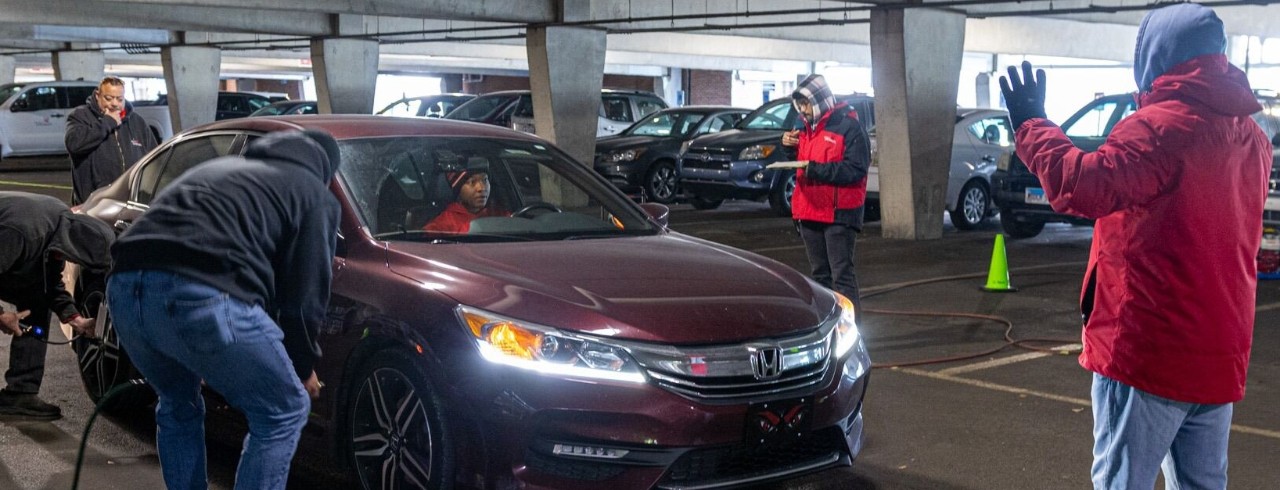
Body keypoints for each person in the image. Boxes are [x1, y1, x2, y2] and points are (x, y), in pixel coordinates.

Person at [999, 4, 1271, 489]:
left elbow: (1081, 187)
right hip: (1218, 351)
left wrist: (1032, 125)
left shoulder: (1160, 128)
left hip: (1149, 350)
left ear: (1155, 56)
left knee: (1122, 481)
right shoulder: (1251, 135)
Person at [105, 130, 340, 489]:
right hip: (200, 293)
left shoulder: (219, 168)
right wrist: (303, 365)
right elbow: (305, 294)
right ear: (325, 173)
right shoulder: (312, 193)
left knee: (178, 402)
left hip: (124, 291)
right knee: (284, 409)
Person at [0, 191, 112, 420]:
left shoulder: (60, 228)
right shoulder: (23, 233)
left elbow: (49, 284)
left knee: (37, 301)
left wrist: (75, 319)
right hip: (9, 243)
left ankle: (20, 393)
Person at [779, 74, 872, 316]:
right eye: (799, 105)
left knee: (842, 276)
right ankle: (825, 329)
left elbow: (856, 168)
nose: (802, 109)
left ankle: (852, 332)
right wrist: (788, 148)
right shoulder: (806, 128)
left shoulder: (849, 126)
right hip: (809, 211)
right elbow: (800, 161)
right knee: (820, 277)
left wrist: (814, 169)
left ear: (819, 100)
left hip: (838, 214)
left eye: (806, 103)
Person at [65, 76, 159, 205]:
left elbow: (154, 157)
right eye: (108, 98)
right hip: (94, 204)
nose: (114, 103)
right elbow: (74, 144)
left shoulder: (136, 121)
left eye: (119, 99)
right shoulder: (81, 116)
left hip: (131, 201)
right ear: (98, 96)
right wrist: (107, 123)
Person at [423, 165, 510, 233]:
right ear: (459, 190)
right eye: (472, 182)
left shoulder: (500, 215)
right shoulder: (443, 224)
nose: (482, 188)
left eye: (485, 180)